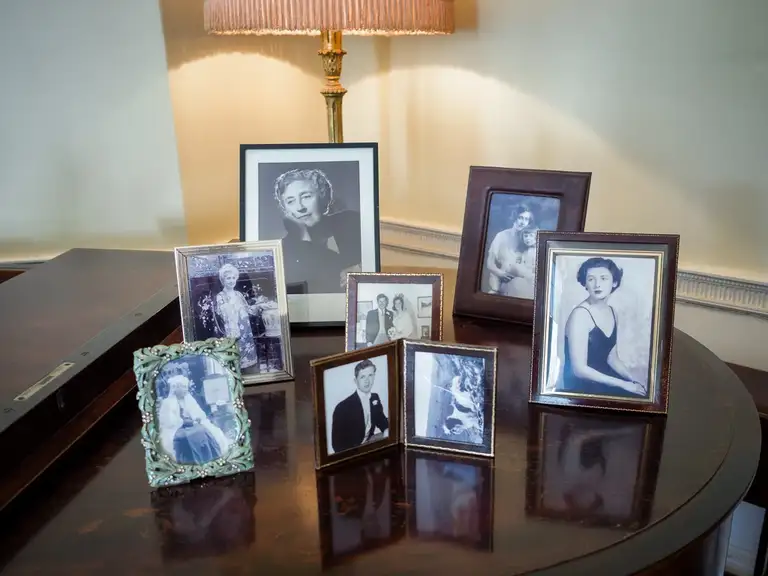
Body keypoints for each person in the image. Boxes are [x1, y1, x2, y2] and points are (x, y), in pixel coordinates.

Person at [560, 257, 647, 398]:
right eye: (591, 279)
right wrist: (623, 384)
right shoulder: (580, 315)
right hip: (582, 386)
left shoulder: (612, 311)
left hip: (604, 377)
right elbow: (579, 370)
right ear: (585, 284)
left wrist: (633, 380)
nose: (597, 285)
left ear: (614, 282)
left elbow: (612, 358)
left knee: (642, 394)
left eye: (603, 278)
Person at [274, 168, 362, 294]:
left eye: (306, 197)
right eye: (290, 201)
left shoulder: (352, 221)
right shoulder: (283, 250)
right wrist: (304, 237)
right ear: (285, 209)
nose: (300, 207)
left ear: (324, 197)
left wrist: (361, 268)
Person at [158, 375, 231, 465]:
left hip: (192, 424)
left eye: (186, 387)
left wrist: (196, 418)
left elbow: (198, 413)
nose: (185, 390)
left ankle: (210, 456)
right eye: (182, 387)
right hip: (177, 428)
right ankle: (195, 459)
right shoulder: (168, 403)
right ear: (175, 388)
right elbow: (169, 421)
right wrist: (183, 422)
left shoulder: (189, 400)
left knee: (207, 431)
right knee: (192, 435)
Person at [214, 263, 272, 370]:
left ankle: (250, 367)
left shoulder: (238, 294)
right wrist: (235, 306)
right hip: (233, 331)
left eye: (233, 278)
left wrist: (259, 305)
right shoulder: (221, 296)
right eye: (228, 278)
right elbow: (224, 314)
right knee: (236, 357)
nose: (231, 281)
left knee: (249, 359)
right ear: (223, 280)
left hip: (245, 330)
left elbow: (248, 309)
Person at [331, 360, 389, 454]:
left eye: (370, 375)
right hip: (352, 453)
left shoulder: (375, 397)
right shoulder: (342, 407)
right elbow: (337, 445)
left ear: (374, 376)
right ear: (355, 380)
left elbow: (381, 420)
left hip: (369, 445)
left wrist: (386, 429)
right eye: (362, 377)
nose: (367, 381)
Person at [484, 204, 536, 296]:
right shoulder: (501, 236)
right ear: (515, 217)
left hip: (523, 284)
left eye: (526, 219)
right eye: (520, 218)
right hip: (502, 280)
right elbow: (490, 263)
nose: (522, 222)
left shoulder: (529, 240)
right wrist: (501, 274)